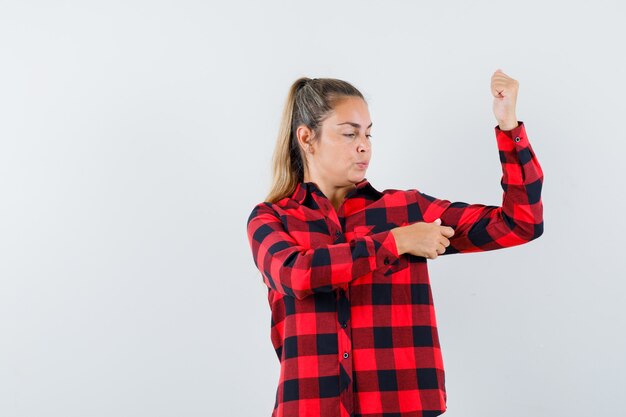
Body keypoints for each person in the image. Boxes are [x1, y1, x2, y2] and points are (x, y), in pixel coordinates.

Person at [246, 72, 544, 417]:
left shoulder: (407, 211)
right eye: (349, 133)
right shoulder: (271, 218)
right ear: (306, 138)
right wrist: (397, 241)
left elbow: (521, 223)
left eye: (368, 133)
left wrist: (509, 128)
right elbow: (297, 274)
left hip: (401, 407)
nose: (364, 145)